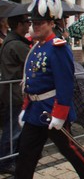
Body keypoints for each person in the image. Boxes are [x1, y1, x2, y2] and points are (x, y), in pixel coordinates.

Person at [15, 0, 84, 179]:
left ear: (51, 23)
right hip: (35, 111)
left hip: (51, 110)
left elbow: (65, 83)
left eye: (40, 23)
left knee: (70, 149)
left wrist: (60, 113)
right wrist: (26, 107)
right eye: (33, 23)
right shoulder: (36, 47)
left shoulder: (58, 48)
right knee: (26, 152)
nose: (35, 26)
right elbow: (31, 81)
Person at [0, 14, 31, 175]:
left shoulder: (11, 41)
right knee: (13, 128)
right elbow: (33, 61)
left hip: (11, 92)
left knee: (12, 126)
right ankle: (6, 161)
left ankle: (9, 158)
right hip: (15, 93)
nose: (29, 25)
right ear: (20, 24)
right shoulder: (17, 44)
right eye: (27, 22)